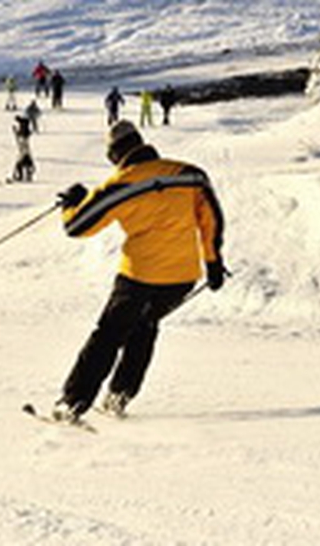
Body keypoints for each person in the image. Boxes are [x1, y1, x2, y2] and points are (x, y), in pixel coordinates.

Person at [52, 119, 226, 422]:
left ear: (115, 155)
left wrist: (72, 203)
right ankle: (120, 395)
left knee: (108, 335)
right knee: (144, 328)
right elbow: (211, 219)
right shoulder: (189, 174)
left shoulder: (120, 185)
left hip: (140, 276)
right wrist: (213, 263)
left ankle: (73, 402)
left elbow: (77, 226)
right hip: (182, 278)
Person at [11, 115, 35, 182]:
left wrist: (15, 132)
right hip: (25, 152)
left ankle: (21, 177)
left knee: (20, 165)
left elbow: (21, 142)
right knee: (26, 165)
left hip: (24, 152)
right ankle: (26, 176)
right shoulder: (24, 132)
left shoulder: (23, 134)